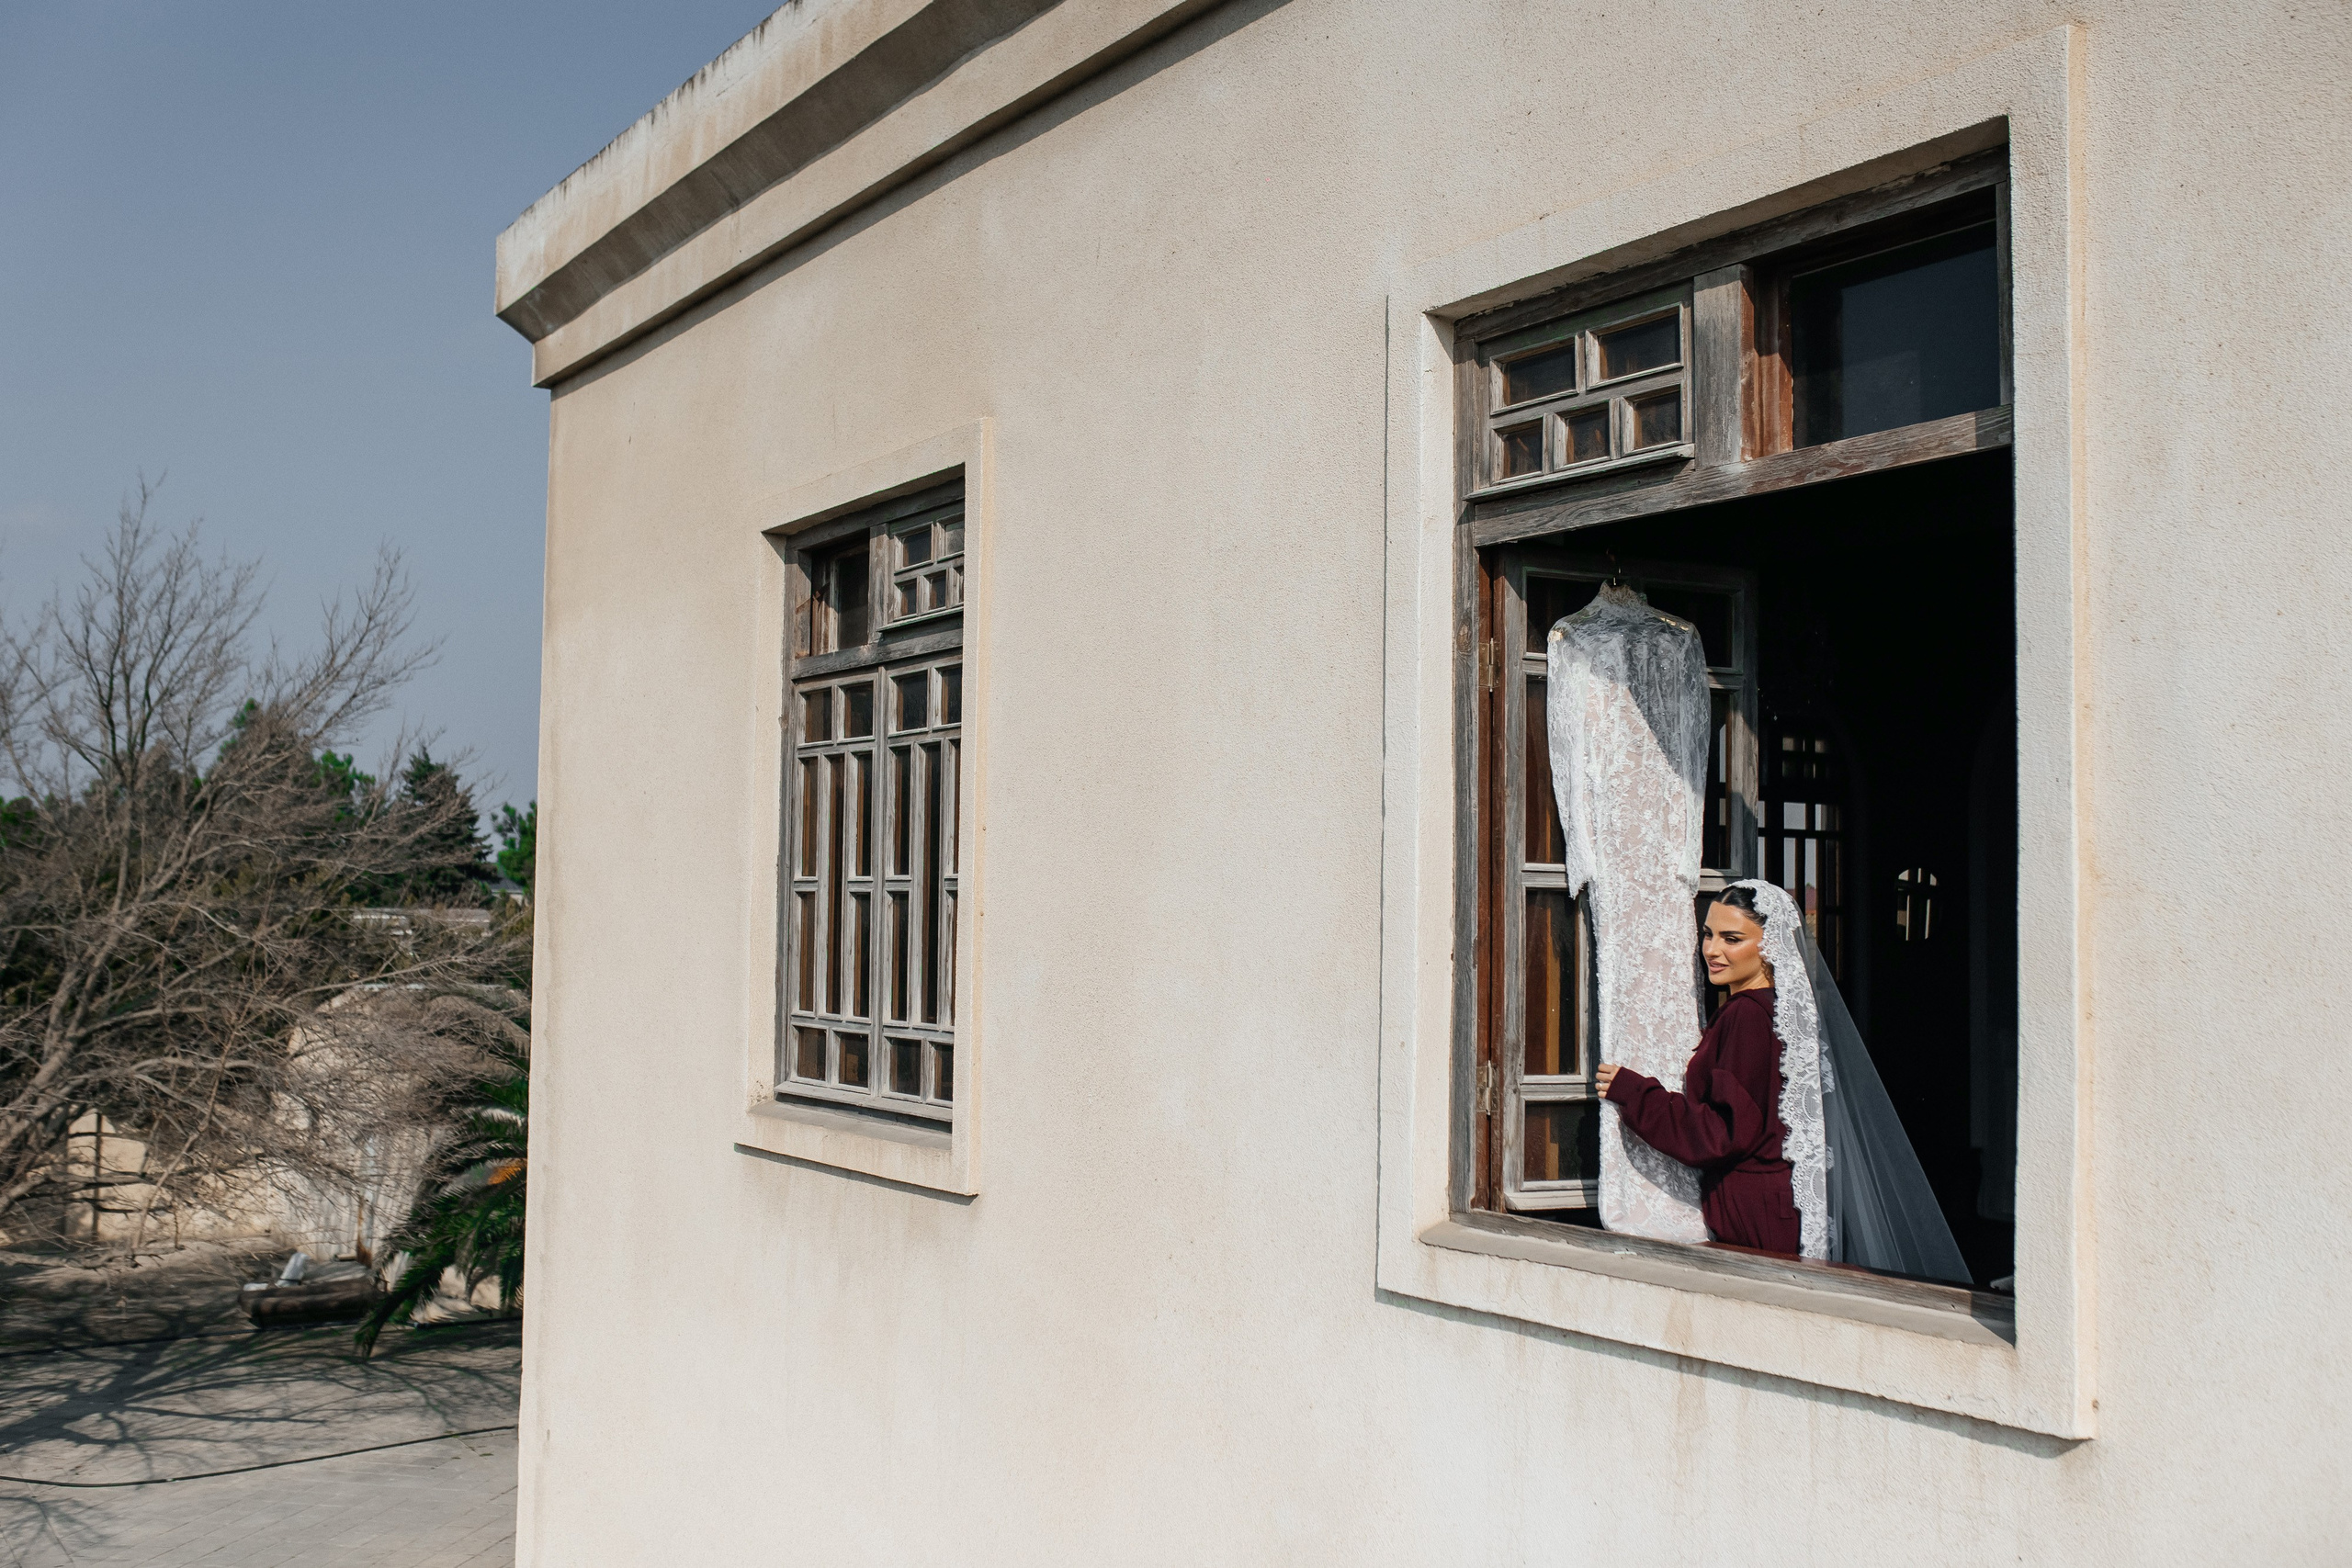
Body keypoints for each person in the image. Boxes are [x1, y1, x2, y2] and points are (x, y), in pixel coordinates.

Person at [1595, 885, 1799, 1257]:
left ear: (1769, 946)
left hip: (1755, 1216)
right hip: (1774, 1205)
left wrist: (1636, 1093)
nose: (1711, 950)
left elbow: (1721, 1134)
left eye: (1731, 938)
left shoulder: (1748, 1014)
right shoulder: (1782, 1010)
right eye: (1707, 934)